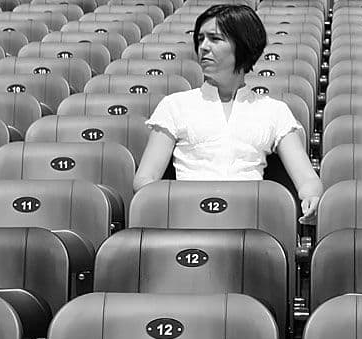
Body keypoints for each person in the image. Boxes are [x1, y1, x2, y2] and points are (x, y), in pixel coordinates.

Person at [133, 4, 323, 222]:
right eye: (201, 38)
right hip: (185, 219)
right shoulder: (174, 105)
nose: (203, 47)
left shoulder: (274, 110)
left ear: (242, 45)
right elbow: (146, 178)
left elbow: (307, 178)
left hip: (250, 221)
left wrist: (311, 196)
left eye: (215, 39)